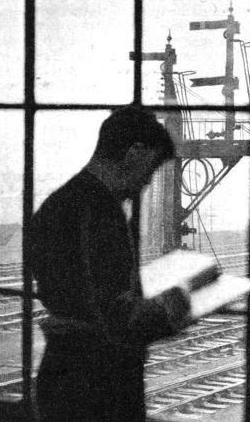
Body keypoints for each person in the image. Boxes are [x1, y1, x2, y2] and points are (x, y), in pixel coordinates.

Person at [28, 106, 193, 421]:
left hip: (61, 372)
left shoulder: (56, 205)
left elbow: (75, 300)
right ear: (135, 153)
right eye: (151, 169)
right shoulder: (102, 213)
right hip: (100, 384)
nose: (146, 183)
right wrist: (175, 304)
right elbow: (115, 317)